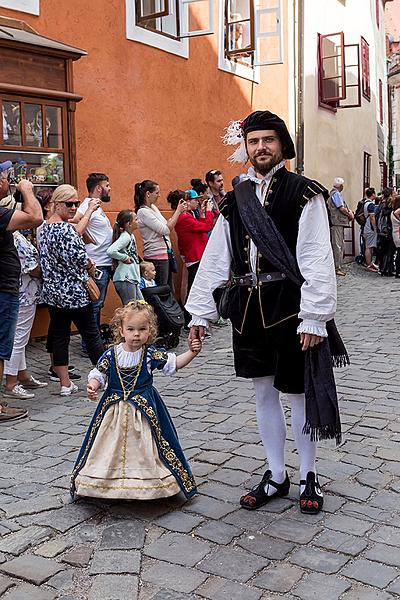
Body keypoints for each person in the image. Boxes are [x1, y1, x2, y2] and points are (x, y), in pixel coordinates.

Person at [186, 110, 344, 515]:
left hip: (290, 309)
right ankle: (276, 473)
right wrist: (200, 314)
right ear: (246, 146)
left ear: (281, 145)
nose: (261, 148)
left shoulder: (303, 192)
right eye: (254, 141)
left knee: (296, 394)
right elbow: (216, 257)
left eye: (268, 140)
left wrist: (314, 316)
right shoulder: (235, 201)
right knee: (263, 394)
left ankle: (308, 473)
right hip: (248, 313)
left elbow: (315, 255)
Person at [70, 300, 201, 500]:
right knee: (108, 444)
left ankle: (145, 484)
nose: (136, 334)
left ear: (150, 331)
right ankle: (104, 483)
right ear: (121, 330)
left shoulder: (149, 355)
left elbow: (174, 363)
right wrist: (93, 386)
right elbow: (99, 374)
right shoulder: (111, 355)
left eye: (142, 329)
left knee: (146, 445)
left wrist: (192, 352)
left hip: (144, 411)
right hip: (113, 411)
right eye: (131, 329)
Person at [40, 184, 104, 395]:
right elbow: (78, 258)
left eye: (76, 203)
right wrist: (89, 264)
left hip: (53, 292)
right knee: (91, 334)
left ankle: (65, 384)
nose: (74, 207)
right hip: (74, 292)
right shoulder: (66, 229)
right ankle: (107, 375)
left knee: (59, 336)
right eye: (69, 203)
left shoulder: (42, 228)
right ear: (57, 204)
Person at [0, 161, 43, 422]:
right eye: (5, 177)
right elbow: (35, 217)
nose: (9, 182)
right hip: (3, 290)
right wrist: (27, 190)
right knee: (1, 347)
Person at [3, 230, 47, 399]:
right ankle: (11, 383)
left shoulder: (10, 235)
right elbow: (31, 267)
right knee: (18, 338)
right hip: (24, 293)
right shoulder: (15, 237)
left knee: (20, 337)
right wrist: (46, 271)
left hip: (21, 292)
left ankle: (22, 375)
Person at [72, 173, 113, 331]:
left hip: (104, 262)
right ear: (98, 188)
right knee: (94, 304)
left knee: (97, 303)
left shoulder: (96, 205)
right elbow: (73, 219)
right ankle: (90, 343)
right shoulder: (87, 204)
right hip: (97, 263)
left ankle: (92, 341)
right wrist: (85, 236)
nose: (109, 189)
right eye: (107, 186)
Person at [170, 189, 214, 328]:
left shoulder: (188, 215)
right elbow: (206, 226)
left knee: (195, 287)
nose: (197, 201)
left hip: (196, 254)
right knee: (195, 289)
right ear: (185, 202)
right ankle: (190, 318)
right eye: (194, 200)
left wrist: (201, 214)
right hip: (195, 256)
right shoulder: (184, 217)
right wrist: (208, 212)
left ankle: (193, 317)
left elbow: (199, 228)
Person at [135, 180, 186, 287]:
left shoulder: (153, 208)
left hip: (165, 253)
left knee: (168, 288)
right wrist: (178, 211)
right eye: (157, 193)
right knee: (162, 289)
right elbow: (165, 230)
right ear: (148, 194)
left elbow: (166, 225)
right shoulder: (143, 212)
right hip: (156, 255)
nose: (159, 196)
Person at [107, 209, 143, 305]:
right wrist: (124, 257)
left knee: (141, 306)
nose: (138, 221)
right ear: (129, 224)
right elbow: (111, 251)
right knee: (131, 309)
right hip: (125, 278)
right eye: (136, 219)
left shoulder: (131, 236)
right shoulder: (125, 237)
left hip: (132, 278)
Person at [327, 177, 354, 276]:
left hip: (336, 222)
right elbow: (341, 208)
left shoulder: (332, 193)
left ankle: (337, 266)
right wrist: (349, 214)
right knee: (337, 245)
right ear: (341, 186)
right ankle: (336, 267)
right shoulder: (336, 194)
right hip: (337, 222)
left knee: (337, 244)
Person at [377, 188, 395, 277]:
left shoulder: (381, 205)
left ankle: (382, 268)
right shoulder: (390, 208)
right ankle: (387, 269)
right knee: (389, 251)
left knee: (383, 250)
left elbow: (376, 216)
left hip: (382, 231)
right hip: (388, 231)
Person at [362, 188, 378, 272]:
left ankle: (370, 263)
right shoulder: (371, 204)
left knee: (370, 246)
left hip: (366, 227)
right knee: (368, 247)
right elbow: (372, 217)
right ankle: (368, 264)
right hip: (370, 228)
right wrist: (375, 227)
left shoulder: (365, 203)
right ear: (373, 194)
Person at [391, 195, 400, 278]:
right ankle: (398, 271)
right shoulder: (396, 211)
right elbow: (396, 212)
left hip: (395, 233)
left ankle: (398, 271)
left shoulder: (392, 211)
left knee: (398, 253)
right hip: (398, 234)